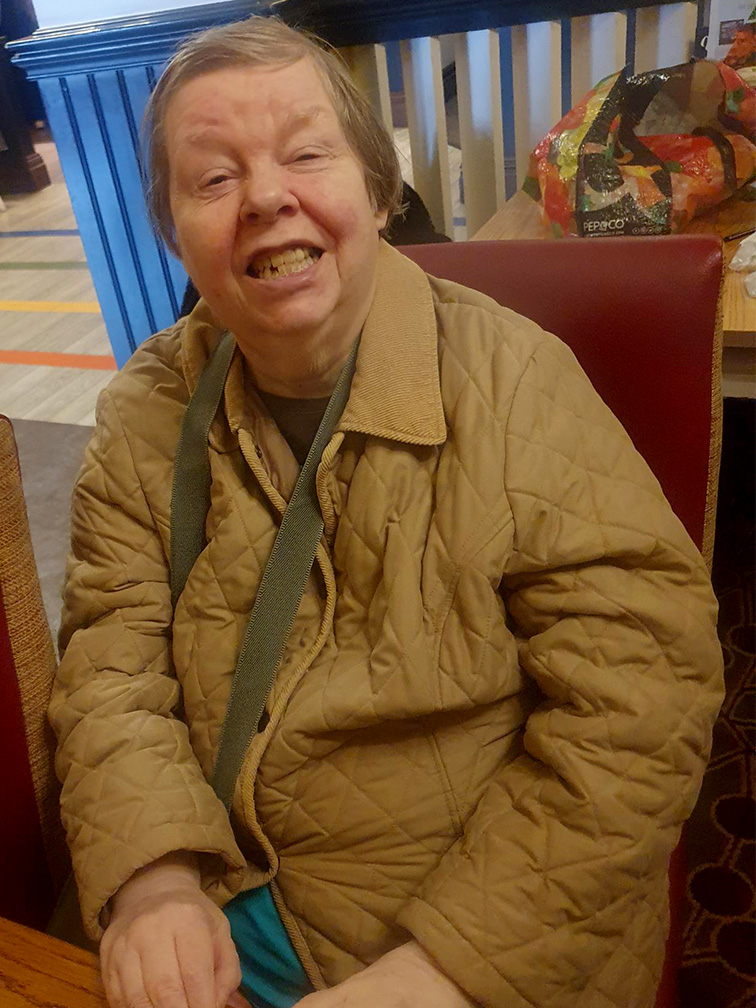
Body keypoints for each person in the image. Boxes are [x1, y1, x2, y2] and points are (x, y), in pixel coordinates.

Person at [51, 15, 723, 1008]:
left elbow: (642, 696)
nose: (266, 196)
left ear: (376, 190)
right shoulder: (144, 410)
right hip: (216, 882)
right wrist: (154, 880)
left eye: (305, 154)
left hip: (476, 920)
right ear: (174, 232)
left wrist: (442, 969)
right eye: (214, 178)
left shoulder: (515, 381)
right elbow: (110, 667)